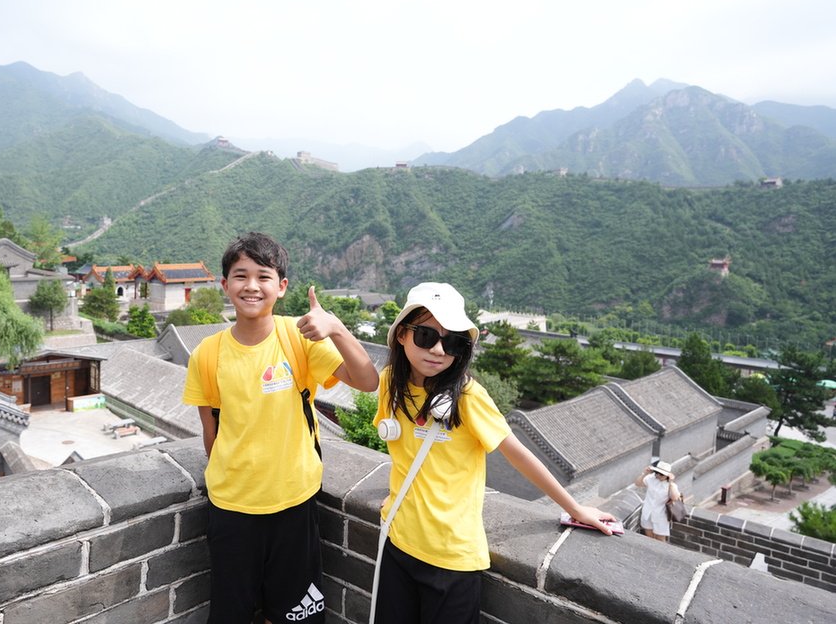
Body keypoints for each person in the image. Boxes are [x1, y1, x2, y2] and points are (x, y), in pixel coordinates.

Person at [373, 282, 616, 624]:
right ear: (401, 334)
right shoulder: (390, 384)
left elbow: (517, 455)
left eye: (454, 342)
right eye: (427, 336)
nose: (439, 350)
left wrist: (575, 509)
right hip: (398, 541)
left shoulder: (468, 397)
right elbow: (405, 451)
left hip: (451, 557)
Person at [182, 232, 379, 624]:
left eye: (263, 276)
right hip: (231, 508)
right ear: (224, 285)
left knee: (294, 616)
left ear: (282, 286)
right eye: (240, 276)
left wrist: (337, 329)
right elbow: (212, 433)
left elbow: (368, 380)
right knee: (230, 613)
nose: (251, 286)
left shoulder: (299, 339)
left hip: (294, 503)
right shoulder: (207, 353)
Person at [635, 460, 681, 542]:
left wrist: (671, 483)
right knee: (649, 537)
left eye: (661, 474)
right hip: (647, 512)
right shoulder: (651, 478)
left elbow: (675, 498)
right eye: (656, 472)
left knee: (660, 539)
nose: (658, 475)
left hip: (661, 515)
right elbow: (638, 483)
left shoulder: (671, 485)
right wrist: (645, 473)